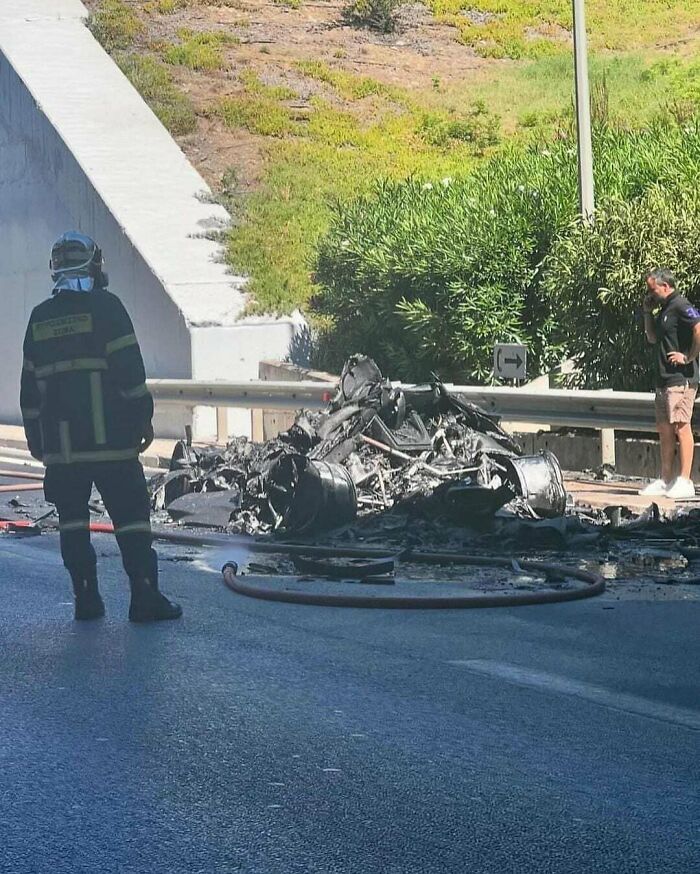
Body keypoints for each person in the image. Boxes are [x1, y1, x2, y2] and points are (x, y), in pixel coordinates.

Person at [20, 232, 182, 622]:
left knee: (72, 523)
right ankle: (144, 598)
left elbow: (30, 390)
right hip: (113, 444)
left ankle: (86, 599)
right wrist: (143, 419)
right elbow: (130, 375)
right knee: (131, 521)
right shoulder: (108, 308)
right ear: (93, 264)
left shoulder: (40, 318)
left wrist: (37, 442)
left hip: (64, 449)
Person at [640, 267, 700, 499]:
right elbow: (653, 338)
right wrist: (647, 313)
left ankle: (684, 480)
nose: (650, 294)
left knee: (680, 426)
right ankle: (665, 480)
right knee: (664, 429)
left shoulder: (680, 304)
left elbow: (698, 327)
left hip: (680, 378)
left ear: (665, 286)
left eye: (652, 290)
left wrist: (689, 356)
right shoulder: (664, 309)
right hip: (663, 378)